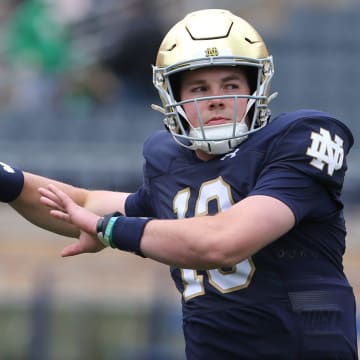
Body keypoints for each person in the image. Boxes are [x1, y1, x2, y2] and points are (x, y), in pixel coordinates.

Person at [0, 9, 358, 360]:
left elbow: (223, 241)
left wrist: (109, 229)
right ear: (174, 99)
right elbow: (81, 204)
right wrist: (10, 183)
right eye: (199, 87)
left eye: (230, 84)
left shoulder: (298, 139)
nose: (215, 98)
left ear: (257, 88)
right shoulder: (170, 164)